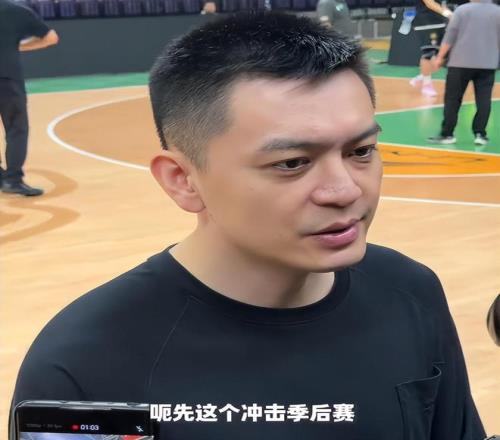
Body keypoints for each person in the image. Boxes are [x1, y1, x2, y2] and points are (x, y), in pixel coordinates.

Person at [12, 12, 486, 439]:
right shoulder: (83, 366)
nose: (344, 190)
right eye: (292, 163)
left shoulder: (410, 292)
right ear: (182, 180)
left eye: (361, 151)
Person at [0, 0, 59, 196]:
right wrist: (18, 46)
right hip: (7, 78)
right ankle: (12, 179)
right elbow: (51, 38)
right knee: (16, 128)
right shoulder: (17, 11)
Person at [427, 0, 500, 145]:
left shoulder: (462, 10)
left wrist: (440, 57)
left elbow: (450, 36)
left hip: (460, 62)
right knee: (484, 99)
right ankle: (480, 134)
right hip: (487, 63)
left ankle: (448, 134)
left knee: (452, 99)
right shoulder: (497, 11)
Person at [409, 0, 453, 97]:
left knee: (444, 55)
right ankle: (426, 85)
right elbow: (430, 3)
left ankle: (423, 75)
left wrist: (450, 14)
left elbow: (441, 4)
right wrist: (448, 14)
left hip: (441, 22)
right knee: (428, 53)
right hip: (426, 22)